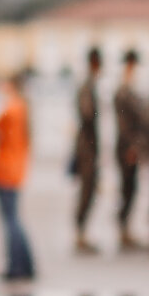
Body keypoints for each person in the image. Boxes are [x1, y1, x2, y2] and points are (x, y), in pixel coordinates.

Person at [0, 69, 34, 282]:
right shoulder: (23, 107)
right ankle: (25, 264)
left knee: (10, 221)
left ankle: (16, 266)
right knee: (15, 219)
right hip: (17, 166)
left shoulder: (10, 109)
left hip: (5, 169)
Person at [111, 50, 149, 250]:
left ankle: (124, 226)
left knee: (131, 188)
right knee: (127, 188)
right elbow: (126, 125)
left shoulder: (128, 90)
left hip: (128, 145)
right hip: (127, 146)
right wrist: (132, 147)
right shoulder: (124, 91)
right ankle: (122, 226)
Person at [69, 48, 102, 253]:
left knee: (88, 189)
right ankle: (80, 233)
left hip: (88, 146)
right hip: (86, 147)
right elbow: (87, 114)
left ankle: (82, 231)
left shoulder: (89, 85)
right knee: (86, 189)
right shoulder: (87, 86)